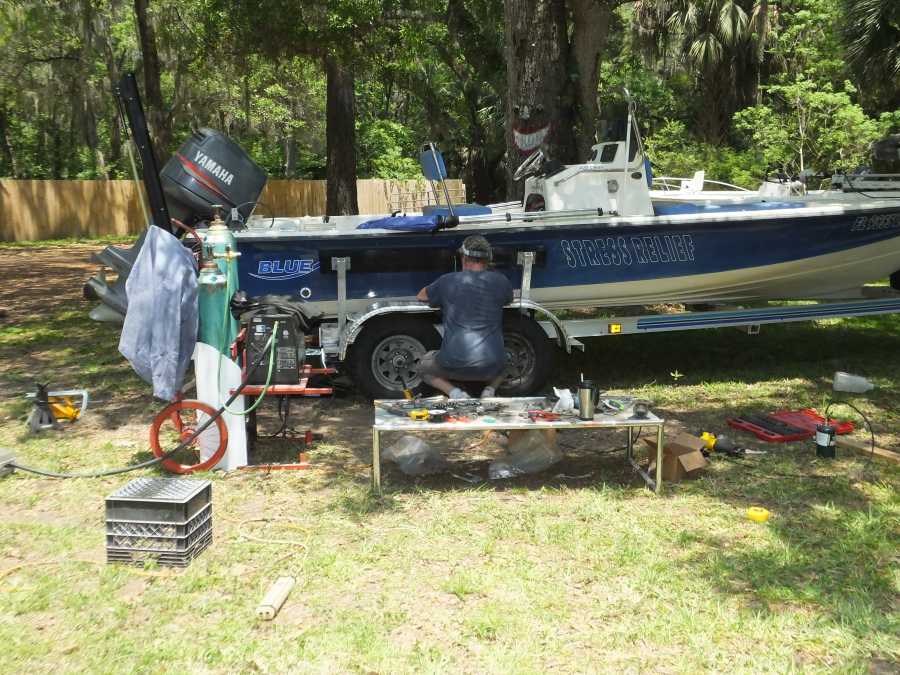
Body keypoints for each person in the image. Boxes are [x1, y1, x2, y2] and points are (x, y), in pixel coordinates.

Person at [416, 235, 513, 399]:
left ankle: (456, 394)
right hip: (491, 365)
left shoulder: (447, 281)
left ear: (464, 257)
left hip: (452, 365)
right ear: (488, 259)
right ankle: (489, 391)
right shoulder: (502, 281)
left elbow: (421, 296)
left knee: (422, 366)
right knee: (508, 358)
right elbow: (509, 299)